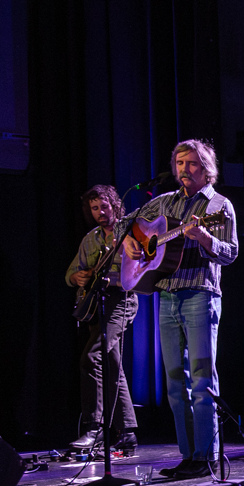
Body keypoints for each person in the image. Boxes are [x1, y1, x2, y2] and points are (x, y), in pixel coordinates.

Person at [125, 139, 238, 481]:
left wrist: (203, 237)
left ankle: (207, 456)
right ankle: (188, 456)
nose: (184, 170)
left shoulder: (219, 205)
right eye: (179, 163)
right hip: (167, 296)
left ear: (206, 168)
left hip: (201, 294)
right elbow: (122, 225)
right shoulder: (164, 202)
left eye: (191, 164)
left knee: (202, 379)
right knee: (175, 381)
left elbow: (230, 252)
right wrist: (130, 241)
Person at [65, 184, 138, 456]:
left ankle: (94, 427)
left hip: (120, 301)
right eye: (94, 208)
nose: (100, 212)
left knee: (91, 357)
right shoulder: (90, 239)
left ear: (115, 205)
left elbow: (138, 270)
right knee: (112, 365)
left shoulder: (130, 232)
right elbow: (71, 273)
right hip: (96, 306)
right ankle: (127, 432)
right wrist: (78, 277)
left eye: (104, 206)